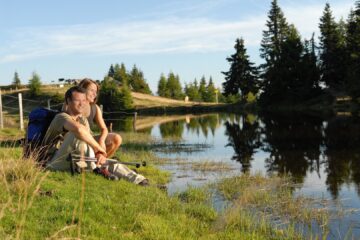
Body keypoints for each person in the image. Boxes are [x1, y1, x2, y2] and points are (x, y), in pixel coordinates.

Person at [44, 86, 149, 185]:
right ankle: (98, 169)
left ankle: (140, 181)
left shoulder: (82, 119)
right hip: (55, 162)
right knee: (76, 133)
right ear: (68, 101)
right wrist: (98, 149)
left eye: (84, 100)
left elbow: (88, 139)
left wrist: (100, 154)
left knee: (106, 160)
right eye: (77, 100)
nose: (82, 104)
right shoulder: (61, 117)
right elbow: (79, 130)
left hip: (75, 160)